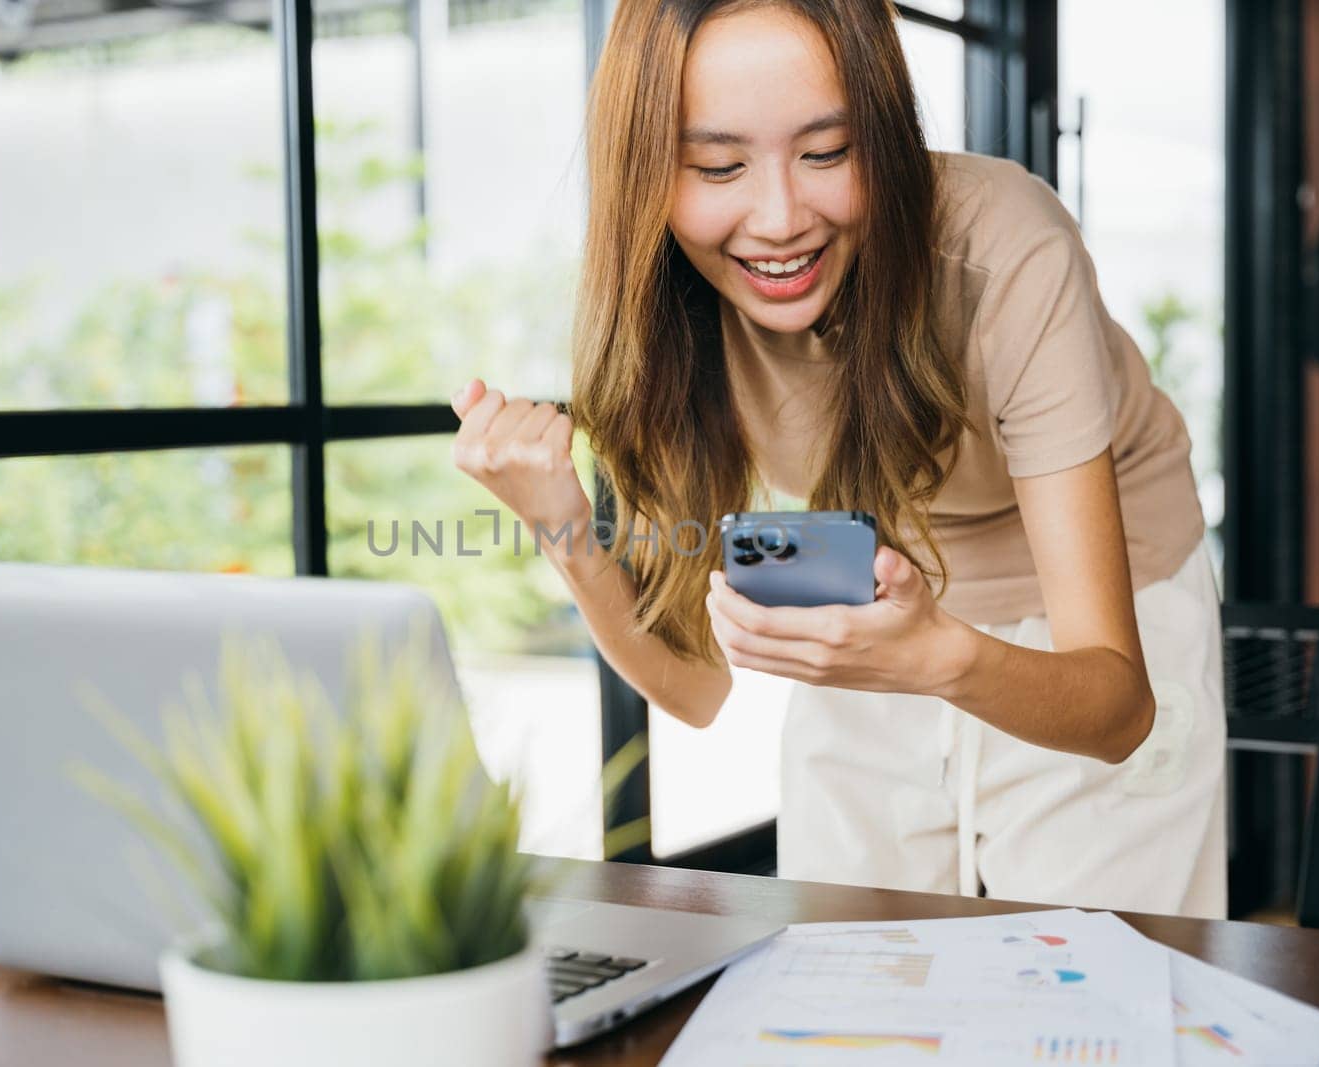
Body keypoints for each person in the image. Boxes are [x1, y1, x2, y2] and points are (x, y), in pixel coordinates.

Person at [449, 0, 1225, 918]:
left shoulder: (1007, 249)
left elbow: (1117, 705)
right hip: (876, 587)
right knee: (849, 975)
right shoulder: (671, 312)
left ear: (886, 140)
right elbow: (695, 688)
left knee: (1086, 997)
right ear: (648, 172)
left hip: (1093, 615)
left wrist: (940, 654)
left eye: (827, 153)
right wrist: (563, 526)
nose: (779, 220)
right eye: (717, 165)